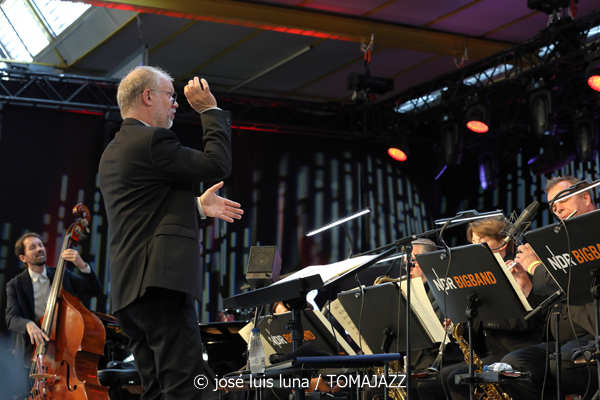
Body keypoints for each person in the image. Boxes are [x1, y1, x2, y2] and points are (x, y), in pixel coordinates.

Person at [98, 65, 243, 400]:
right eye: (171, 96)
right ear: (148, 96)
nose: (176, 103)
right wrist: (210, 110)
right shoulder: (152, 139)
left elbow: (143, 212)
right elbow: (217, 165)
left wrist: (197, 207)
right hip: (161, 286)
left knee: (156, 391)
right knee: (187, 388)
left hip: (129, 295)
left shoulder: (112, 152)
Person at [418, 217, 543, 400]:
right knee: (433, 383)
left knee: (455, 379)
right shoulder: (482, 274)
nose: (474, 248)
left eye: (482, 241)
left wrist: (484, 317)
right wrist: (463, 328)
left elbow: (526, 322)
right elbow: (477, 336)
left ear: (503, 243)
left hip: (521, 350)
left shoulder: (518, 268)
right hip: (494, 353)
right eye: (473, 242)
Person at [501, 175, 598, 400]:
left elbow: (577, 281)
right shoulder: (557, 242)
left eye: (563, 200)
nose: (557, 209)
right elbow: (553, 305)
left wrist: (535, 267)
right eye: (553, 206)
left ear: (585, 198)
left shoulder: (595, 232)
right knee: (513, 366)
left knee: (564, 361)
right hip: (568, 337)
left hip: (593, 331)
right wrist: (527, 286)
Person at [5, 232, 103, 393]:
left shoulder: (61, 275)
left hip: (64, 351)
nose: (39, 249)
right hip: (33, 357)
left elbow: (94, 289)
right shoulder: (15, 285)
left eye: (40, 245)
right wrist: (28, 324)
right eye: (32, 247)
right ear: (23, 258)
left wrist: (82, 265)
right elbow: (11, 318)